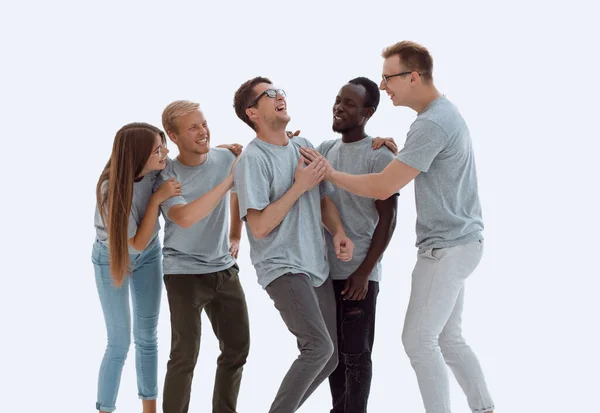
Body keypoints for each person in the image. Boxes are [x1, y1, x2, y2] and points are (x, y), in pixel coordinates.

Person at [299, 41, 495, 413]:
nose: (385, 84)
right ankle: (484, 408)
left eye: (389, 77)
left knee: (419, 341)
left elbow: (385, 187)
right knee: (449, 339)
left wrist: (331, 172)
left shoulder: (433, 123)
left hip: (447, 247)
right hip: (459, 242)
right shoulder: (437, 119)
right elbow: (410, 164)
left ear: (414, 76)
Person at [232, 76, 354, 413]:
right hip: (283, 267)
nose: (278, 96)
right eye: (268, 95)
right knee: (317, 347)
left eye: (279, 91)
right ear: (252, 113)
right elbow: (257, 227)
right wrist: (299, 185)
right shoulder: (252, 161)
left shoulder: (304, 146)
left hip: (316, 266)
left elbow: (323, 199)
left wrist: (339, 231)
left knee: (327, 358)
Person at [156, 100, 250, 413]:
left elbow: (238, 192)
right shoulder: (167, 175)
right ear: (173, 136)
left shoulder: (226, 157)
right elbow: (183, 217)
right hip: (182, 272)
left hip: (223, 269)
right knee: (184, 356)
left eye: (204, 123)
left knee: (237, 349)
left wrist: (235, 233)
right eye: (193, 127)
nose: (203, 132)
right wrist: (227, 182)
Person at [315, 76, 399, 413]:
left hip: (358, 275)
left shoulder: (379, 156)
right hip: (324, 273)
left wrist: (365, 271)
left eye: (349, 103)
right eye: (338, 99)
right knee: (333, 357)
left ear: (368, 112)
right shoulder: (324, 151)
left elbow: (388, 219)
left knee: (356, 356)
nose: (339, 107)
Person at [92, 122, 181, 413]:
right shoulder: (111, 190)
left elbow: (191, 161)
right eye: (158, 149)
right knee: (118, 342)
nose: (165, 152)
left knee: (147, 336)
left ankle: (150, 410)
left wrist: (226, 149)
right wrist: (157, 198)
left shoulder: (157, 168)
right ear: (139, 156)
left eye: (163, 145)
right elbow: (134, 244)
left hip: (149, 254)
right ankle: (105, 408)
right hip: (113, 256)